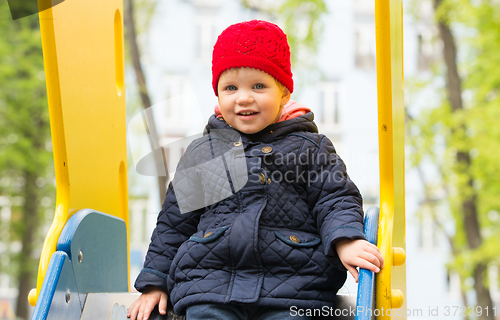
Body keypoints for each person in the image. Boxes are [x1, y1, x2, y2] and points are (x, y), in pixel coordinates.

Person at [128, 19, 383, 320]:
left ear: (285, 93)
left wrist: (345, 239)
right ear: (218, 96)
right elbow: (174, 224)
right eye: (231, 87)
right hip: (210, 284)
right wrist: (155, 281)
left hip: (292, 285)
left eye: (259, 86)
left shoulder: (308, 148)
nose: (244, 97)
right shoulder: (205, 152)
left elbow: (334, 199)